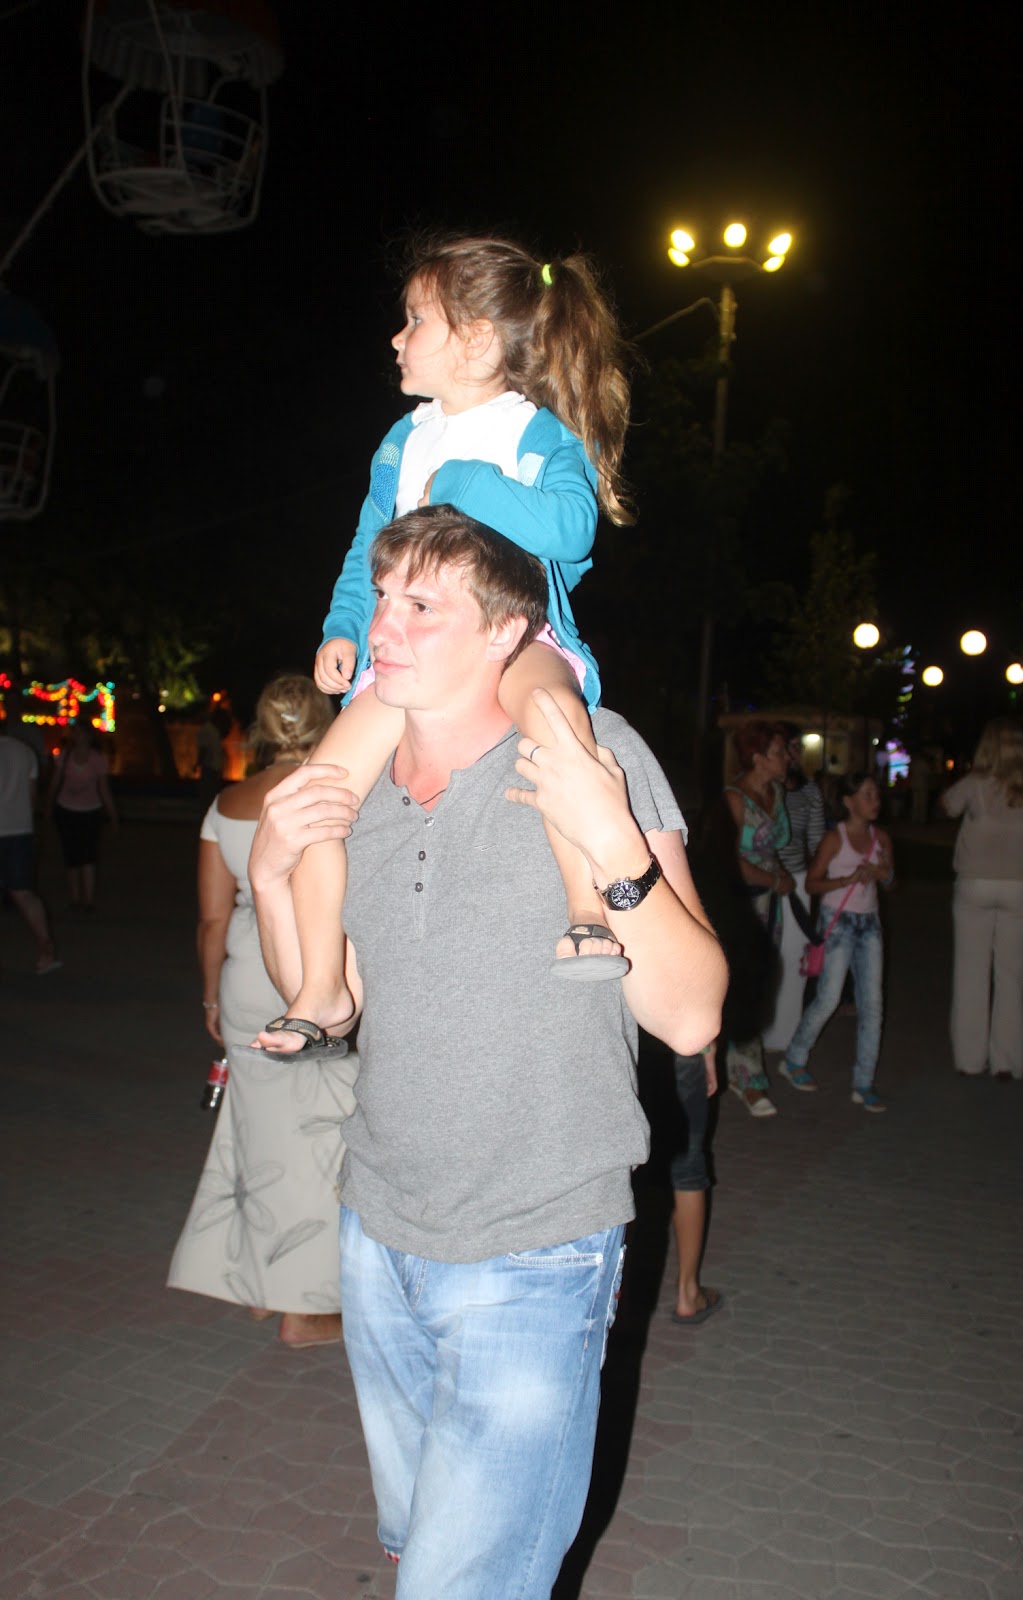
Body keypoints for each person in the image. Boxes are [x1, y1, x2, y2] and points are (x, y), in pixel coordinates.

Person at [245, 507, 727, 1593]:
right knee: (418, 1546)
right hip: (379, 1230)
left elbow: (692, 1015)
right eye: (382, 599)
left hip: (535, 1248)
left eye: (423, 605)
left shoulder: (599, 754)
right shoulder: (358, 783)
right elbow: (337, 1002)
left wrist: (610, 840)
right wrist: (272, 877)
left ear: (508, 632)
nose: (385, 627)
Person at [260, 234, 633, 1053]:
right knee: (322, 790)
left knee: (554, 723)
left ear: (476, 340)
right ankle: (322, 985)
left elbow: (571, 533)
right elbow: (368, 547)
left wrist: (466, 481)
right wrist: (344, 625)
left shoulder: (534, 434)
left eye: (415, 320)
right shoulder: (401, 441)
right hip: (407, 651)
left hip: (517, 633)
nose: (396, 338)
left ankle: (586, 913)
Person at [168, 675, 359, 1349]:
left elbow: (212, 921)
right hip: (315, 969)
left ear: (259, 727)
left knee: (257, 1133)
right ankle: (304, 1309)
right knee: (321, 1138)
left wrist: (212, 998)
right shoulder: (340, 794)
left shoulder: (226, 804)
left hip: (247, 975)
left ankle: (255, 1285)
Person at [940, 719, 1023, 1079]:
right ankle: (1006, 1061)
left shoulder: (974, 785)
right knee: (1012, 976)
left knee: (970, 972)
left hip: (974, 885)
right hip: (1021, 888)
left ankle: (969, 1059)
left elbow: (945, 806)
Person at [782, 772, 894, 1110]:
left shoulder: (881, 838)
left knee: (872, 1004)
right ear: (848, 801)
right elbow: (812, 884)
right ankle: (794, 1058)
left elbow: (891, 881)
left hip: (869, 924)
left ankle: (864, 1082)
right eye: (867, 794)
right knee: (829, 998)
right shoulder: (835, 838)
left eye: (876, 794)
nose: (875, 801)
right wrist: (847, 879)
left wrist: (882, 874)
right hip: (838, 922)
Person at [723, 721, 794, 1117]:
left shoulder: (775, 793)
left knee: (758, 985)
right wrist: (774, 880)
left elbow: (776, 847)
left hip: (770, 904)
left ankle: (733, 1066)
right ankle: (747, 1078)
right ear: (758, 757)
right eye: (780, 752)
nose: (787, 758)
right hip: (743, 904)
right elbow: (729, 861)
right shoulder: (734, 800)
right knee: (744, 988)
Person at [763, 723, 826, 1054]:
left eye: (798, 748)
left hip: (797, 882)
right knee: (765, 958)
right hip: (762, 882)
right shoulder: (761, 789)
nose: (794, 755)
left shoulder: (809, 792)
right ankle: (759, 1030)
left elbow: (816, 842)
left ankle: (785, 1036)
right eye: (789, 747)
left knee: (793, 959)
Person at [0, 698, 60, 975]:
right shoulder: (25, 752)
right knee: (24, 893)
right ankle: (45, 948)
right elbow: (32, 795)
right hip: (19, 829)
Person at [668, 1044, 721, 1325]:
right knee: (687, 1164)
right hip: (678, 1042)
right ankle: (688, 1293)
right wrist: (708, 1051)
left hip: (617, 1040)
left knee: (624, 1166)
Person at [47, 722, 118, 911]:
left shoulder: (97, 759)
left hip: (90, 811)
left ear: (89, 737)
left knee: (88, 854)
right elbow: (55, 782)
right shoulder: (65, 756)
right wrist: (49, 805)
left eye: (80, 733)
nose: (77, 737)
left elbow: (104, 789)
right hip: (67, 809)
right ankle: (75, 897)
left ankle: (88, 899)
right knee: (71, 853)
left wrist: (112, 815)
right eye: (75, 733)